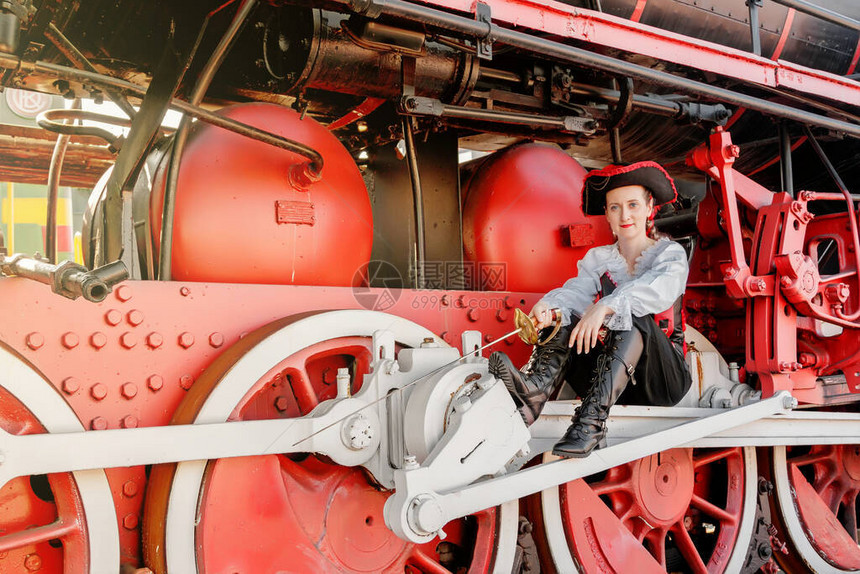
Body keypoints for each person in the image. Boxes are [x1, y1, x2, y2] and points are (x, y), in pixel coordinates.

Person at [489, 161, 692, 458]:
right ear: (607, 216)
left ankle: (591, 423)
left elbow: (656, 293)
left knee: (631, 315)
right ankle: (533, 393)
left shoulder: (669, 255)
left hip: (661, 378)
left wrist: (606, 306)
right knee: (566, 315)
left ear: (650, 208)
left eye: (633, 205)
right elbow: (574, 294)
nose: (625, 215)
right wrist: (550, 309)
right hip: (610, 378)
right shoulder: (598, 258)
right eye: (614, 208)